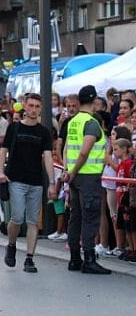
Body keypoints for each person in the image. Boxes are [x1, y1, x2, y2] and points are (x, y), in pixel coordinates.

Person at [0, 93, 54, 273]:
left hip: (35, 181)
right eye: (31, 106)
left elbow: (48, 157)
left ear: (41, 109)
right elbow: (3, 151)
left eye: (37, 106)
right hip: (16, 179)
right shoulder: (14, 128)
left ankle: (29, 258)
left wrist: (52, 182)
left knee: (33, 221)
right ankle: (11, 245)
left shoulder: (44, 132)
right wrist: (0, 172)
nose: (34, 110)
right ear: (24, 106)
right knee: (17, 217)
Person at [62, 85, 111, 274]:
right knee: (90, 217)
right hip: (88, 175)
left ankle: (75, 258)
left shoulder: (73, 122)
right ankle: (89, 259)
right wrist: (73, 172)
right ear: (94, 101)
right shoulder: (91, 123)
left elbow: (67, 149)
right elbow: (84, 152)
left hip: (75, 176)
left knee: (76, 216)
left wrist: (68, 171)